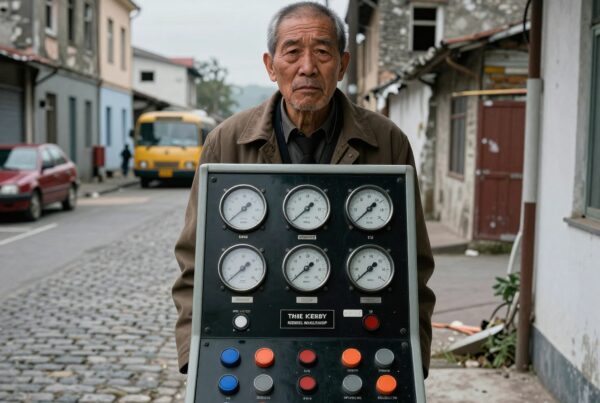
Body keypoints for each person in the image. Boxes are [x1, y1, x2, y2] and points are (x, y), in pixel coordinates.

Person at [172, 1, 435, 377]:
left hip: (358, 343)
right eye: (292, 52)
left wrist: (413, 356)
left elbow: (415, 263)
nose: (307, 67)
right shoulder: (227, 142)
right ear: (270, 65)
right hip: (255, 341)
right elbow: (193, 260)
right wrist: (193, 354)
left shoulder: (387, 142)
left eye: (323, 52)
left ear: (343, 65)